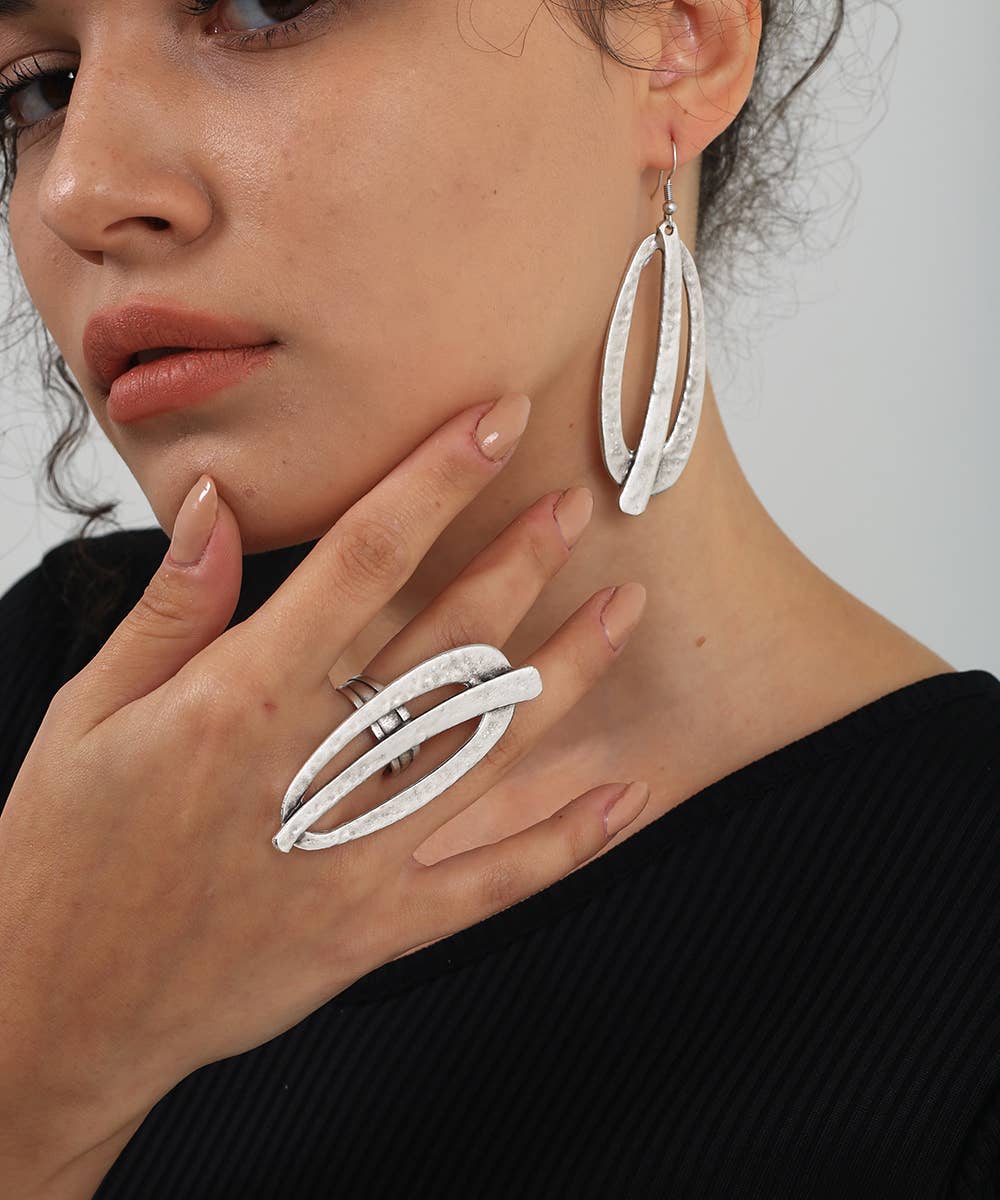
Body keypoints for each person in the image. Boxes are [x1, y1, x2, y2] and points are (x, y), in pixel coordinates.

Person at [0, 0, 997, 1197]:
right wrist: (40, 1061)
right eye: (38, 90)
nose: (80, 189)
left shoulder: (962, 950)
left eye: (262, 8)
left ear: (678, 39)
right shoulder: (46, 708)